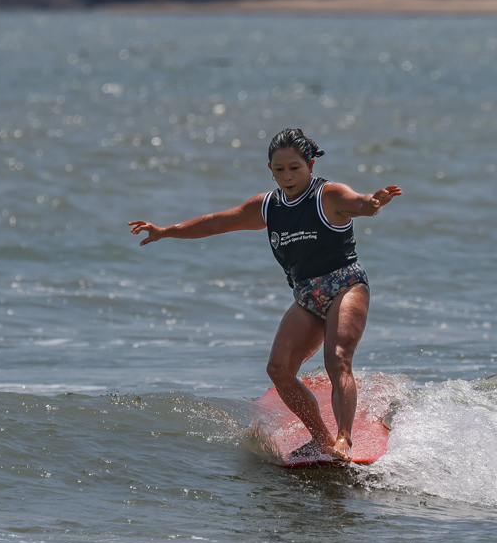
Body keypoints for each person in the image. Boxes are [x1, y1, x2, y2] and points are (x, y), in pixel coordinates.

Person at [128, 128, 401, 461]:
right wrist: (165, 231)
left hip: (346, 285)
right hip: (306, 296)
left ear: (311, 165)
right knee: (278, 369)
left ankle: (345, 438)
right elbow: (216, 222)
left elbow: (358, 203)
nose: (287, 176)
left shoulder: (328, 195)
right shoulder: (268, 206)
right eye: (279, 169)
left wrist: (373, 204)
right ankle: (322, 439)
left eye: (295, 168)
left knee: (337, 358)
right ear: (270, 169)